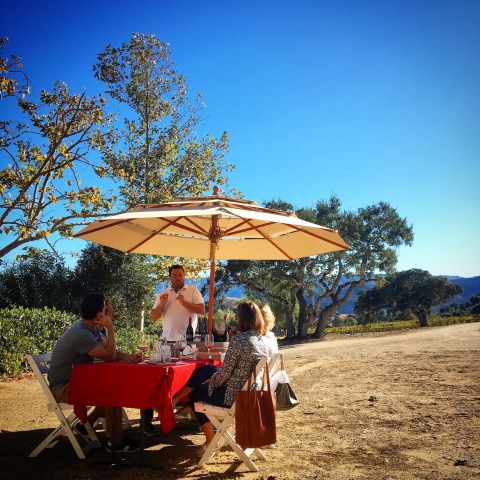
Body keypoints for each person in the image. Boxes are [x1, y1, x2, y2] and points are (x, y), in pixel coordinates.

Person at [171, 301, 270, 456]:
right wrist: (214, 378)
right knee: (208, 369)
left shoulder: (239, 340)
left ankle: (210, 440)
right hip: (251, 394)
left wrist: (212, 383)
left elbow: (225, 373)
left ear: (241, 319)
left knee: (198, 393)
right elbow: (230, 371)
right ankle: (185, 406)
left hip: (233, 396)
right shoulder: (263, 341)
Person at [48, 293, 141, 453]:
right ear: (99, 315)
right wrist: (110, 327)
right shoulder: (81, 334)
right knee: (112, 392)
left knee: (113, 388)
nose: (111, 315)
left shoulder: (89, 329)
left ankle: (86, 426)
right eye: (107, 311)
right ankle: (115, 443)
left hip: (77, 382)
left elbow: (109, 351)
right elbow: (110, 356)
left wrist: (131, 357)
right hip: (63, 388)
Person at [151, 264, 205, 341]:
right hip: (167, 341)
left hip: (188, 340)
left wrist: (184, 303)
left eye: (180, 275)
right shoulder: (163, 294)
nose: (178, 278)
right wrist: (162, 304)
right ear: (170, 277)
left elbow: (202, 311)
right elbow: (154, 317)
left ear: (184, 276)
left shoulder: (193, 290)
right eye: (174, 275)